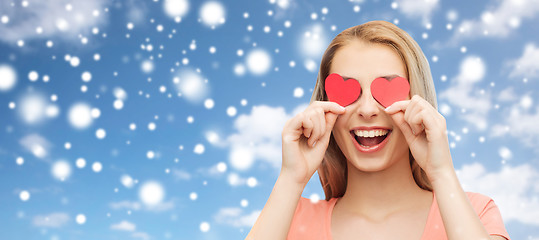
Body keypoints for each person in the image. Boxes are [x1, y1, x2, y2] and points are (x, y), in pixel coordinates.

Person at [245, 20, 510, 240]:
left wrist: (441, 172)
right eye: (347, 91)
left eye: (388, 89)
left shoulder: (476, 213)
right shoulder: (290, 220)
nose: (368, 109)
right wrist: (291, 178)